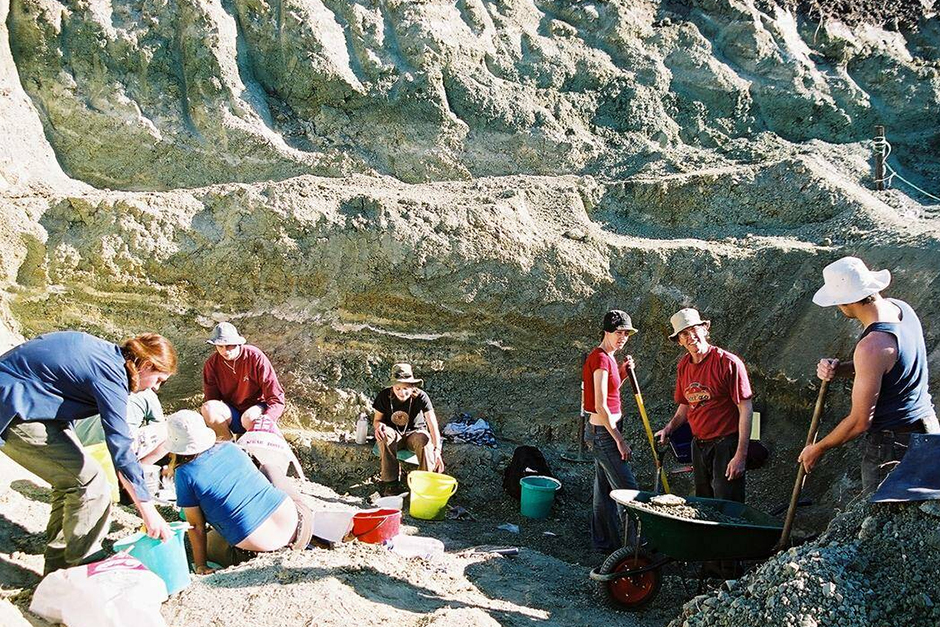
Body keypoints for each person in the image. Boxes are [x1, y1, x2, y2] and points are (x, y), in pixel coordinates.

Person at [0, 331, 175, 574]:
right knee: (91, 482)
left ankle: (59, 570)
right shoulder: (112, 374)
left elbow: (58, 386)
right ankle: (81, 567)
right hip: (13, 406)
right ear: (145, 365)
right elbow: (121, 447)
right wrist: (148, 511)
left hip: (32, 404)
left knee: (72, 481)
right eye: (158, 380)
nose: (156, 388)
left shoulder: (106, 356)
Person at [798, 256, 938, 493]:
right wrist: (841, 369)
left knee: (883, 513)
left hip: (894, 447)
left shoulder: (871, 346)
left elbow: (860, 421)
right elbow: (891, 364)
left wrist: (818, 448)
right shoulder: (901, 309)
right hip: (929, 430)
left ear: (845, 303)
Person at [167, 410, 312, 573]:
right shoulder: (230, 447)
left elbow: (195, 526)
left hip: (261, 553)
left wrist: (201, 565)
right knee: (269, 469)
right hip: (302, 526)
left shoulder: (184, 473)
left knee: (209, 542)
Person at [655, 308, 753, 503]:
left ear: (705, 329)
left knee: (728, 505)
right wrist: (669, 428)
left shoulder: (728, 363)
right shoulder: (684, 366)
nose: (691, 337)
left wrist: (740, 455)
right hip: (698, 445)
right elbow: (686, 404)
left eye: (694, 329)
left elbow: (746, 408)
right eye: (684, 334)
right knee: (704, 503)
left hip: (726, 445)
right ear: (679, 341)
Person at [583, 310, 639, 553]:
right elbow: (600, 405)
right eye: (619, 332)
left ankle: (604, 544)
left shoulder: (608, 358)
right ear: (607, 331)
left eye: (626, 333)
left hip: (603, 432)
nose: (623, 337)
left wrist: (623, 371)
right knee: (628, 492)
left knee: (604, 491)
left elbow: (611, 392)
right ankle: (634, 549)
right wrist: (620, 440)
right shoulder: (601, 359)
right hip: (605, 435)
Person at [201, 322, 285, 441]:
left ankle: (254, 445)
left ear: (238, 343)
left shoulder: (255, 357)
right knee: (208, 408)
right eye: (220, 346)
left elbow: (276, 398)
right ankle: (228, 446)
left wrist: (267, 419)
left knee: (248, 417)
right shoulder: (212, 364)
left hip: (256, 413)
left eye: (229, 345)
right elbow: (211, 400)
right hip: (233, 414)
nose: (225, 351)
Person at [373, 363, 444, 495]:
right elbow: (377, 420)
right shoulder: (384, 396)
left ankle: (424, 485)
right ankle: (391, 485)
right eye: (398, 388)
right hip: (394, 435)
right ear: (392, 387)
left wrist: (437, 450)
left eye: (406, 388)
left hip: (414, 435)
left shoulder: (421, 397)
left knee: (423, 438)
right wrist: (379, 426)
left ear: (412, 386)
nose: (402, 392)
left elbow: (432, 424)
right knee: (384, 434)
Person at [75, 388, 168, 466]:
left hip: (79, 449)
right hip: (110, 451)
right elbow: (160, 429)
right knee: (169, 431)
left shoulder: (106, 385)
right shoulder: (148, 394)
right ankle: (140, 471)